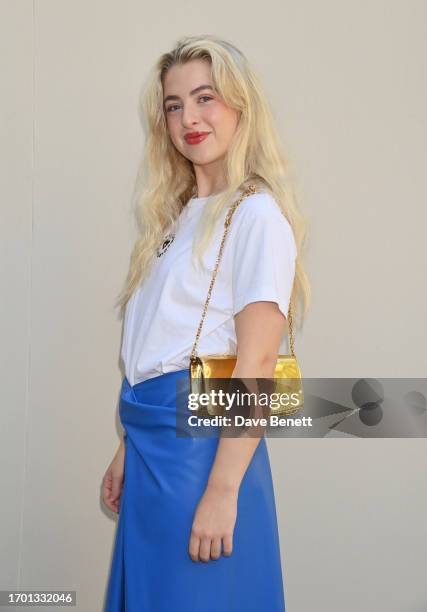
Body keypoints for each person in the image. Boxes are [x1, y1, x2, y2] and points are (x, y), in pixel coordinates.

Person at [102, 34, 310, 612]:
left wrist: (222, 490)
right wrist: (127, 447)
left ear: (240, 105)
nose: (188, 118)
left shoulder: (257, 215)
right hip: (153, 453)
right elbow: (159, 350)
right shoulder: (173, 223)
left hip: (204, 458)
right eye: (174, 105)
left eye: (205, 98)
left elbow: (258, 365)